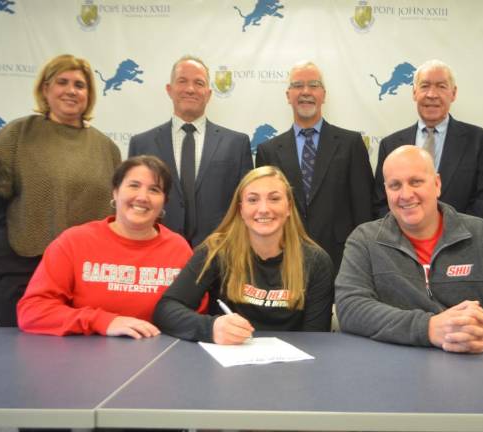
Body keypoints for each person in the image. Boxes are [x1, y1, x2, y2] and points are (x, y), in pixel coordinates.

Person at [336, 146, 483, 353]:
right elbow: (350, 307)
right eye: (395, 185)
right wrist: (428, 328)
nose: (406, 194)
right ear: (386, 191)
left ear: (437, 184)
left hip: (475, 369)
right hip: (393, 373)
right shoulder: (364, 240)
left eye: (416, 182)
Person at [0, 54, 121, 327]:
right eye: (62, 82)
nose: (71, 90)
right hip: (20, 269)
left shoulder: (107, 148)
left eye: (80, 85)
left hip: (82, 275)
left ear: (89, 94)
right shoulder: (17, 135)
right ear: (45, 89)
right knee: (17, 356)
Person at [17, 156, 206, 338]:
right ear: (115, 192)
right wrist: (103, 321)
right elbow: (32, 311)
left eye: (154, 190)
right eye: (134, 185)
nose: (142, 197)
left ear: (164, 201)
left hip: (157, 356)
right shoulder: (74, 242)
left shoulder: (178, 248)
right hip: (83, 358)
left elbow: (196, 312)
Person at [154, 166, 334, 344]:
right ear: (241, 209)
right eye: (253, 200)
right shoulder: (216, 250)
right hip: (228, 363)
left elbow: (316, 338)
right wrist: (210, 327)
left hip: (292, 367)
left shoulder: (316, 261)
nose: (263, 209)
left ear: (289, 208)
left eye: (274, 199)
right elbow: (166, 310)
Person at [255, 61, 374, 272]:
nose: (306, 92)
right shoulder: (268, 150)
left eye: (313, 85)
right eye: (298, 85)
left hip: (342, 259)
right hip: (285, 257)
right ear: (288, 95)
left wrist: (363, 260)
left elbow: (364, 209)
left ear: (324, 95)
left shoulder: (351, 144)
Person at [128, 55, 253, 248]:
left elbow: (245, 206)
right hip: (156, 256)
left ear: (209, 94)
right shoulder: (142, 144)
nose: (190, 89)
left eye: (199, 83)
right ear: (169, 90)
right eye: (182, 81)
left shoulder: (237, 144)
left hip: (219, 257)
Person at [373, 59, 483, 221]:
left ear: (453, 93)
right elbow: (381, 202)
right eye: (425, 86)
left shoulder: (481, 142)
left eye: (441, 86)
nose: (432, 94)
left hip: (463, 241)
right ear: (414, 92)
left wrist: (454, 236)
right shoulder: (390, 145)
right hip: (402, 243)